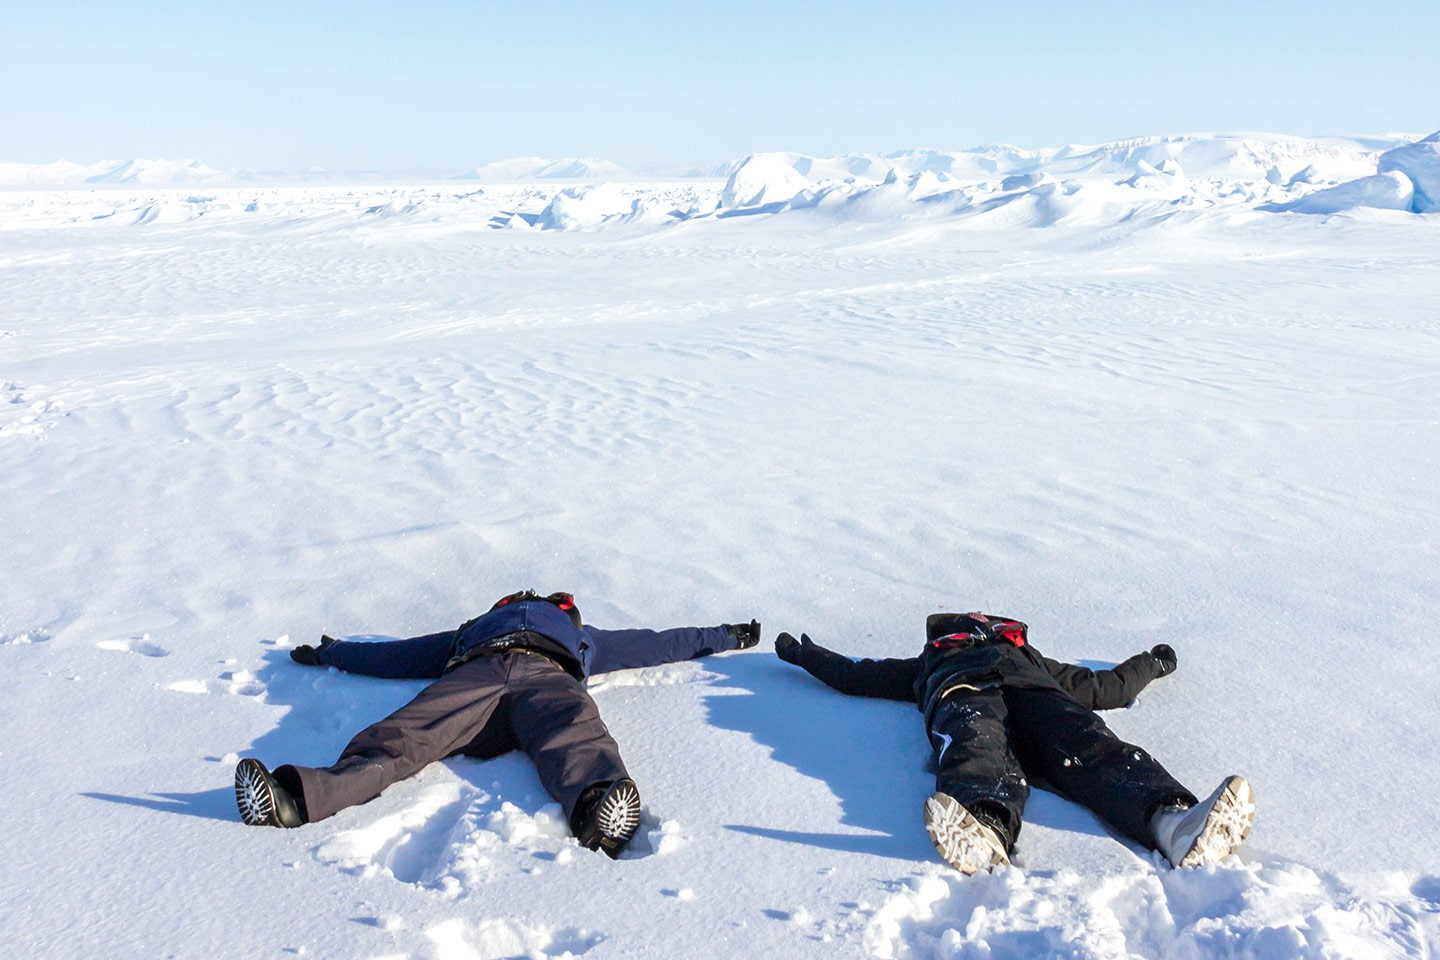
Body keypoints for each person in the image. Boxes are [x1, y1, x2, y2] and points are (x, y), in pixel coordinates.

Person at [235, 589, 760, 858]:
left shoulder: (585, 639)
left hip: (546, 680)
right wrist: (335, 653)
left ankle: (599, 804)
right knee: (401, 737)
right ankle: (295, 797)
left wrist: (726, 635)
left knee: (575, 730)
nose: (534, 601)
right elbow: (397, 655)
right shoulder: (470, 632)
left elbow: (657, 642)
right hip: (477, 676)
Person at [774, 611, 1254, 874]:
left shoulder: (1033, 660)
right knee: (975, 743)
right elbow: (858, 675)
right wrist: (808, 656)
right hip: (965, 694)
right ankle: (983, 826)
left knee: (1089, 743)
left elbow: (1105, 688)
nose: (978, 625)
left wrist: (1151, 663)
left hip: (1040, 699)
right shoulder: (929, 666)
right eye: (965, 626)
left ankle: (1174, 823)